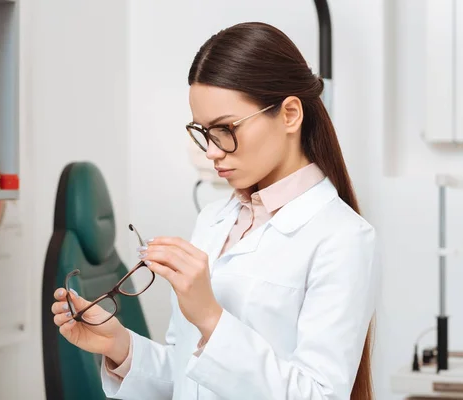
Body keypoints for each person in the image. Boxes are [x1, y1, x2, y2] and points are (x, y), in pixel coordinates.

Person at [51, 21, 379, 400]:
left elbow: (320, 396)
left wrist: (210, 317)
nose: (211, 151)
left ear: (290, 114)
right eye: (203, 131)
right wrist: (120, 347)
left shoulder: (343, 239)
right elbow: (187, 374)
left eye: (225, 129)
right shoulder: (214, 220)